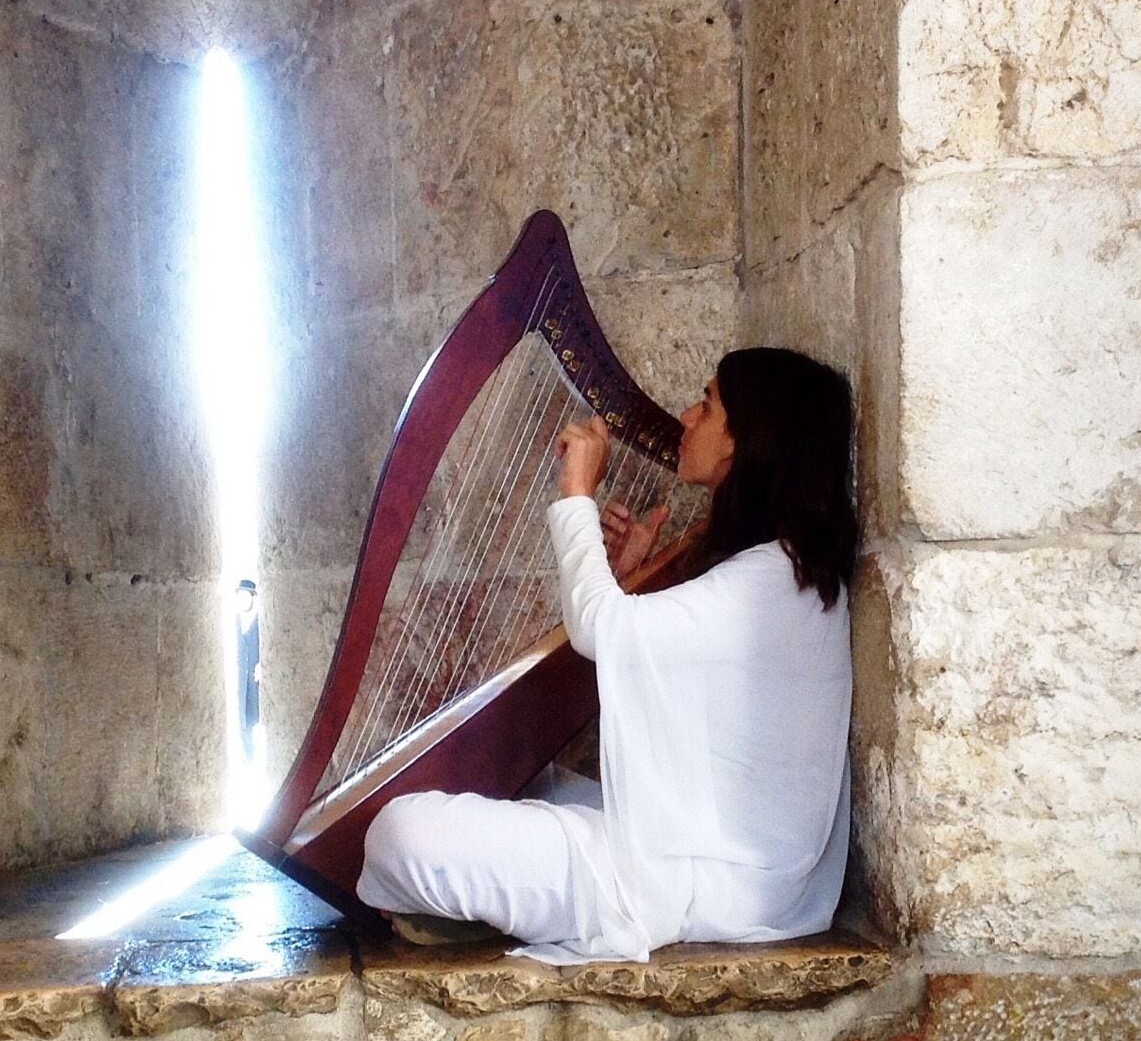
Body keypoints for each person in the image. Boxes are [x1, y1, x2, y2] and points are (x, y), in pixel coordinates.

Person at [357, 347, 858, 963]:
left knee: (401, 832)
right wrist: (624, 581)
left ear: (745, 438)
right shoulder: (786, 572)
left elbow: (599, 629)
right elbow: (642, 648)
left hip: (704, 885)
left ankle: (470, 901)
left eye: (707, 405)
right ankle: (482, 904)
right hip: (705, 859)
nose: (686, 416)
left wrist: (576, 493)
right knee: (521, 776)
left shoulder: (767, 582)